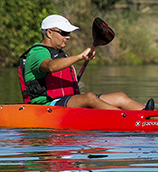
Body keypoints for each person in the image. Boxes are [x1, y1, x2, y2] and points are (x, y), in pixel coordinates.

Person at [18, 14, 151, 110]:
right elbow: (50, 67)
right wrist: (80, 56)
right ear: (49, 33)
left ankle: (157, 116)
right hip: (47, 106)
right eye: (64, 33)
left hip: (66, 102)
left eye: (69, 33)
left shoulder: (59, 53)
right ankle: (130, 120)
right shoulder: (37, 52)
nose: (68, 37)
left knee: (120, 97)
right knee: (89, 97)